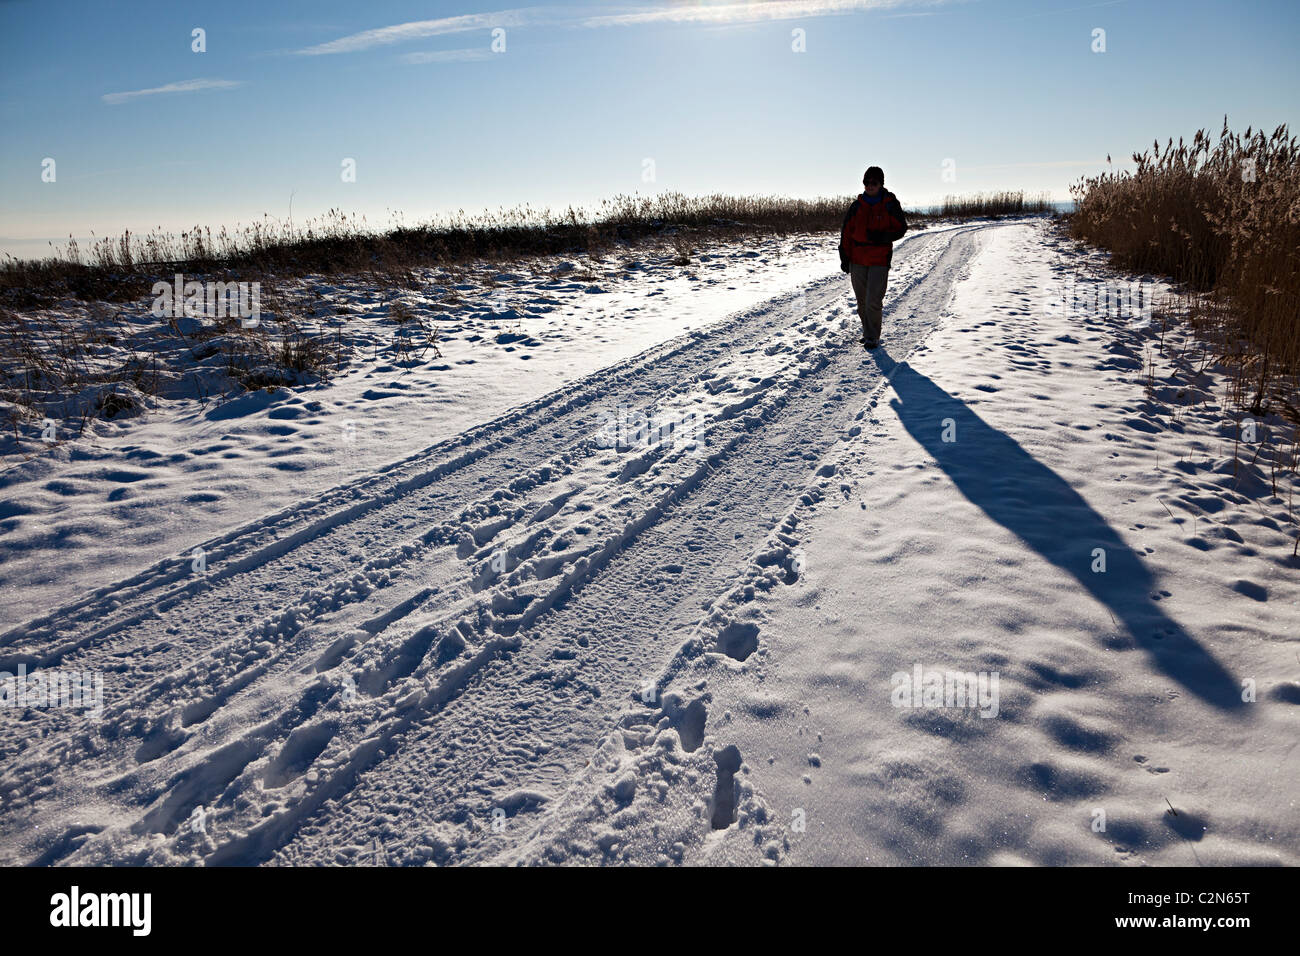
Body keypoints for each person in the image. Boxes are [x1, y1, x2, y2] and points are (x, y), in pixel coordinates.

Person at [838, 166, 907, 349]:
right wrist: (844, 256)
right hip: (858, 259)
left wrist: (883, 237)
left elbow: (901, 228)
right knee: (861, 302)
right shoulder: (857, 206)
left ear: (881, 184)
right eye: (866, 182)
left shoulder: (890, 203)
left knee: (873, 301)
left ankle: (872, 337)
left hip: (879, 259)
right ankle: (867, 331)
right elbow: (846, 232)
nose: (869, 185)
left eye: (873, 182)